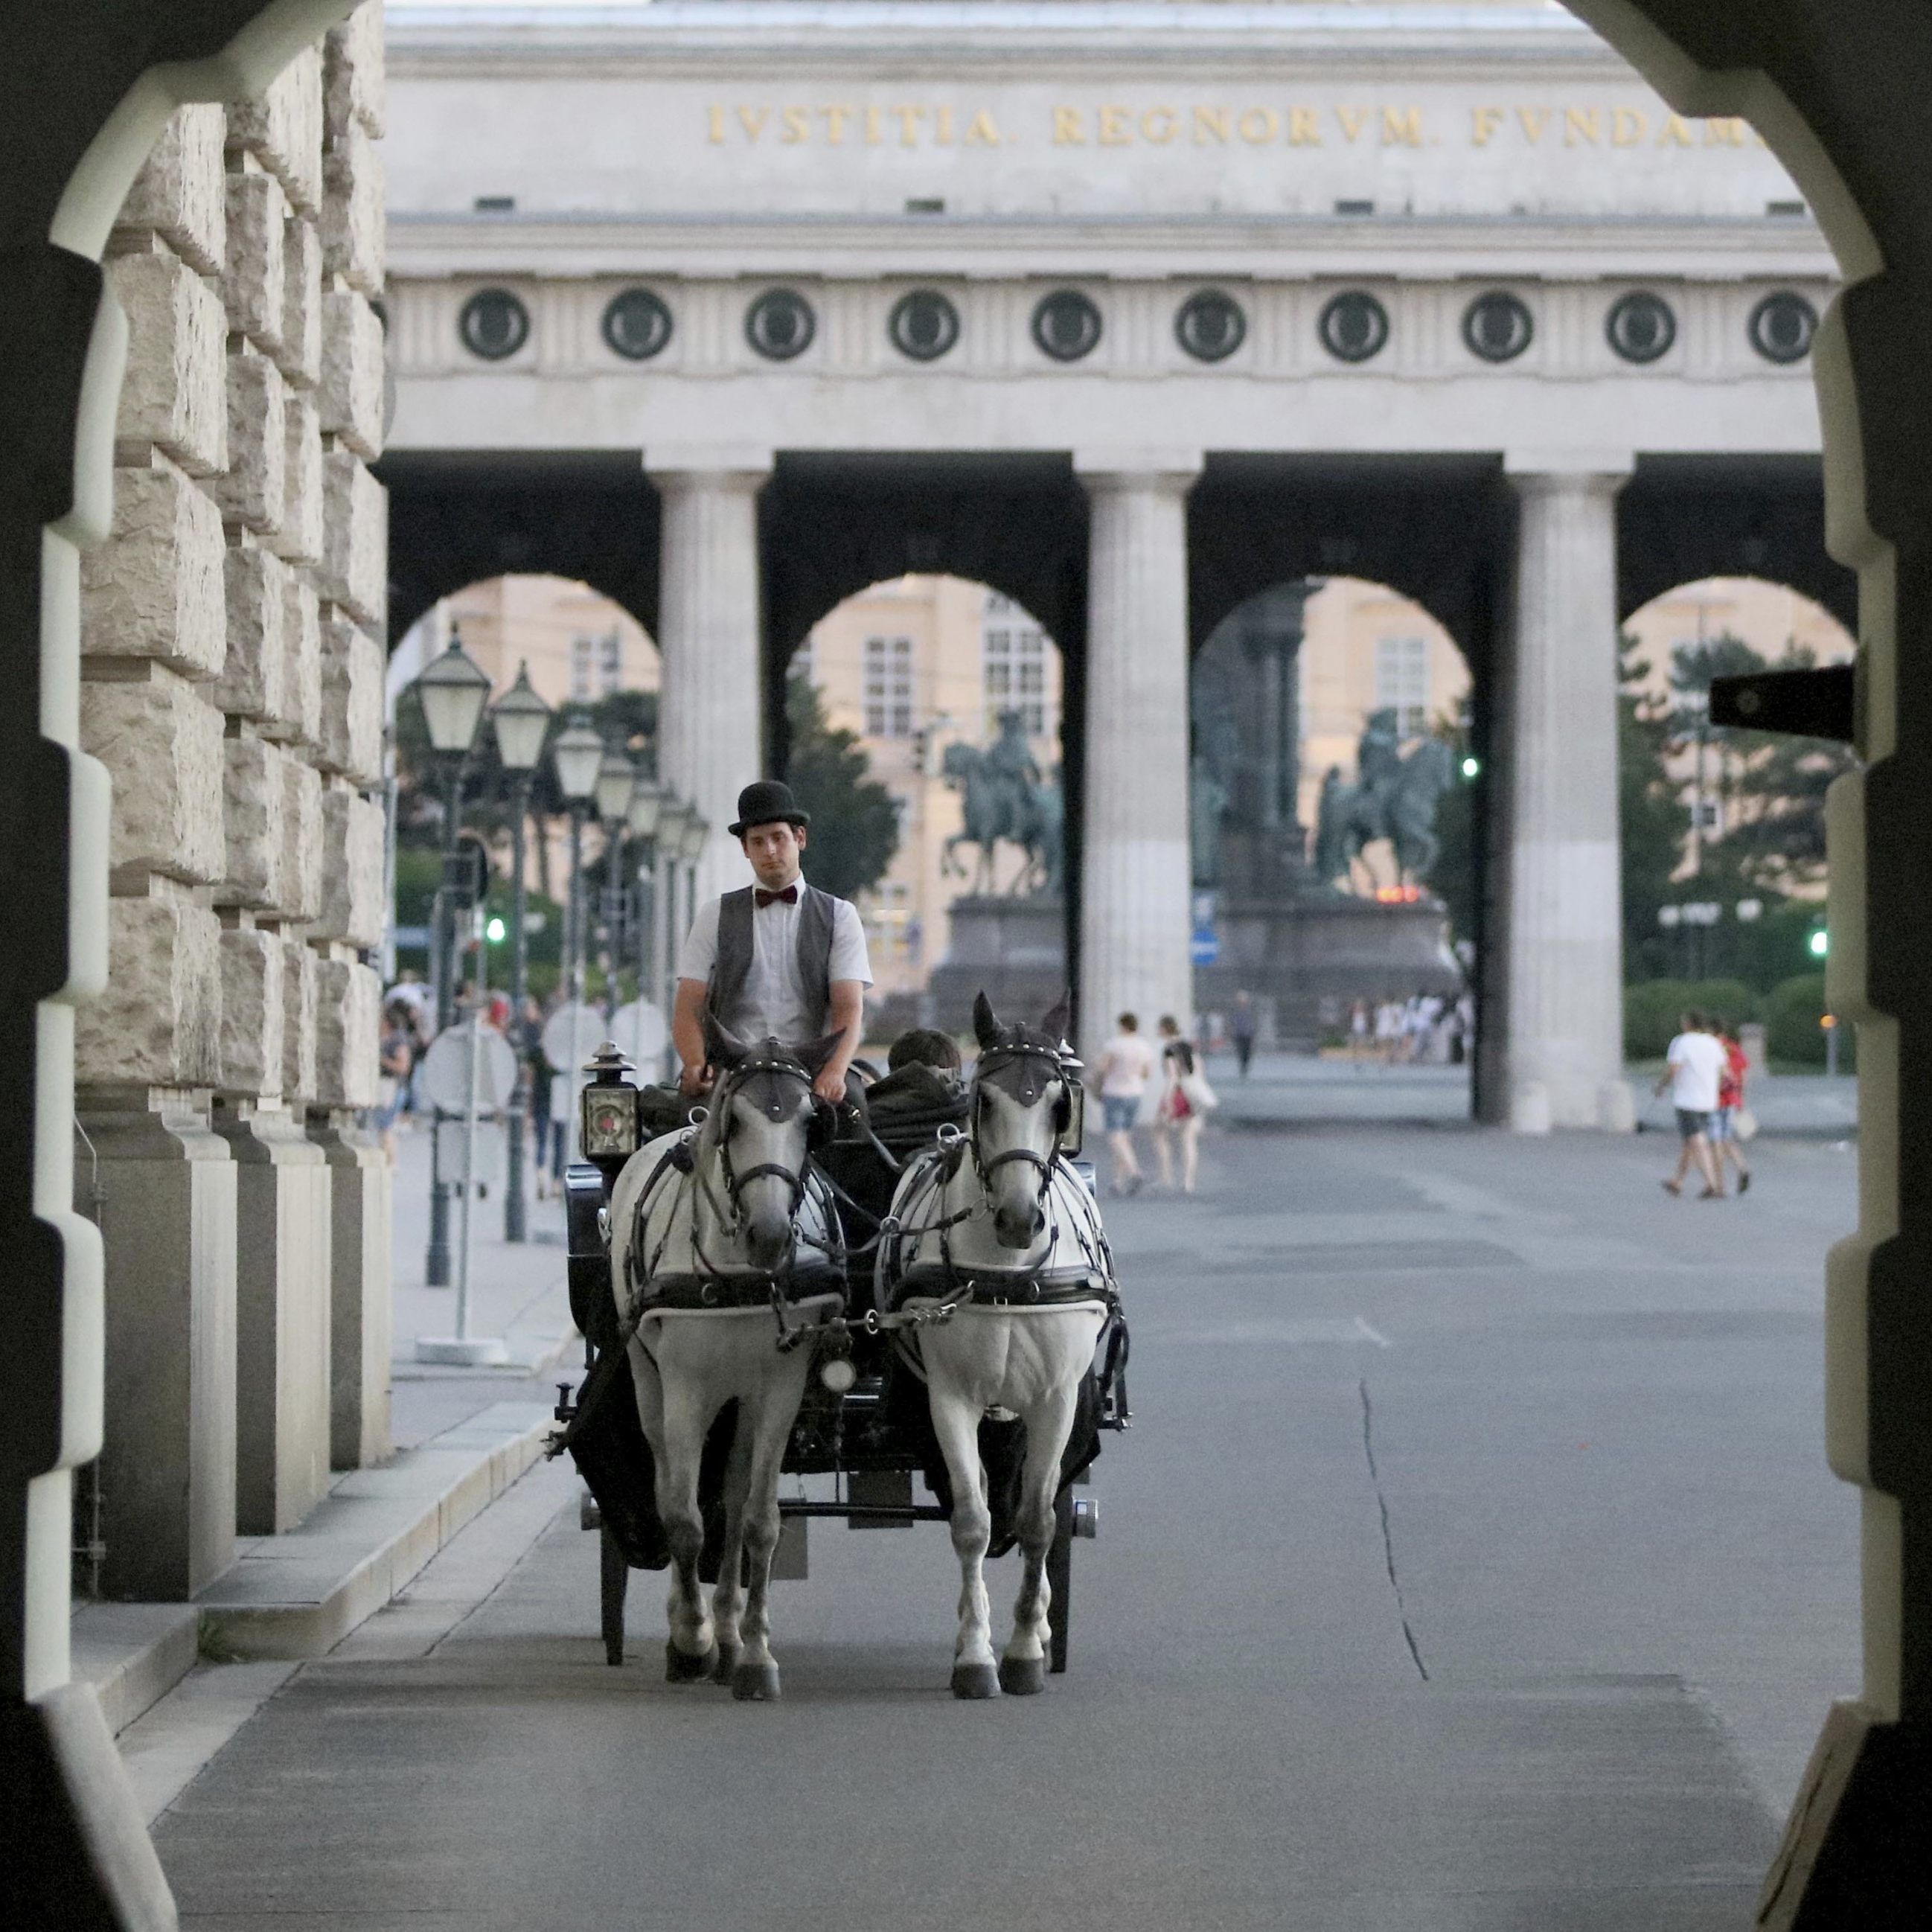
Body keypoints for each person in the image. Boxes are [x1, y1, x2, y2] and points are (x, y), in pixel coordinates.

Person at [672, 779, 871, 1105]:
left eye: (778, 838)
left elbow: (848, 1007)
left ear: (800, 838)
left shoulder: (840, 916)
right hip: (731, 1071)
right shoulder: (714, 916)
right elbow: (687, 1007)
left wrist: (835, 1070)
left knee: (858, 1127)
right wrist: (696, 1063)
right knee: (677, 1138)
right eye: (758, 841)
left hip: (811, 1069)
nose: (770, 851)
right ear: (746, 849)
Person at [1655, 1009, 1727, 1199]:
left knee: (1697, 1140)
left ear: (1688, 1024)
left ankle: (1711, 1182)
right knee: (1690, 1141)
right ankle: (1678, 1180)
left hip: (1688, 1099)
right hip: (1708, 1099)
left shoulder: (1682, 1042)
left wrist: (1661, 1086)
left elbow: (1674, 1068)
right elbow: (1723, 1071)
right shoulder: (1714, 1043)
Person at [1092, 1011, 1154, 1196]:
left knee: (1115, 1137)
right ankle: (1118, 1182)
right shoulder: (1144, 1046)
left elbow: (1102, 1068)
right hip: (1135, 1092)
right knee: (1125, 1138)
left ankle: (1135, 1171)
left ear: (1122, 1026)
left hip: (1114, 1091)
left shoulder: (1114, 1045)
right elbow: (1146, 1073)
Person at [1151, 1014, 1206, 1194]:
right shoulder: (1189, 1046)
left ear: (1165, 1029)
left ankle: (1166, 1176)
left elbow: (1172, 1077)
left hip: (1177, 1094)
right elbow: (1198, 1070)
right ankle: (1188, 1180)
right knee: (1188, 1139)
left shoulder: (1169, 1049)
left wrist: (1168, 1101)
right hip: (1191, 1094)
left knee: (1159, 1133)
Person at [1711, 1014, 1753, 1196]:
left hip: (1714, 1099)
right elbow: (1743, 1074)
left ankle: (1719, 1184)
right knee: (1726, 1137)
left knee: (1716, 1141)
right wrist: (1740, 1098)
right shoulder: (1732, 1048)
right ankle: (1742, 1167)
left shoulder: (1713, 1049)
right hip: (1731, 1098)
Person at [1229, 990, 1258, 1081]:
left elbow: (1253, 1023)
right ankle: (1242, 1067)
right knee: (1241, 1051)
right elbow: (1233, 1023)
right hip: (1239, 1035)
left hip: (1248, 1035)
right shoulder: (1235, 1012)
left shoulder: (1250, 1011)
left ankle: (1245, 1067)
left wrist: (1253, 1032)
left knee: (1247, 1052)